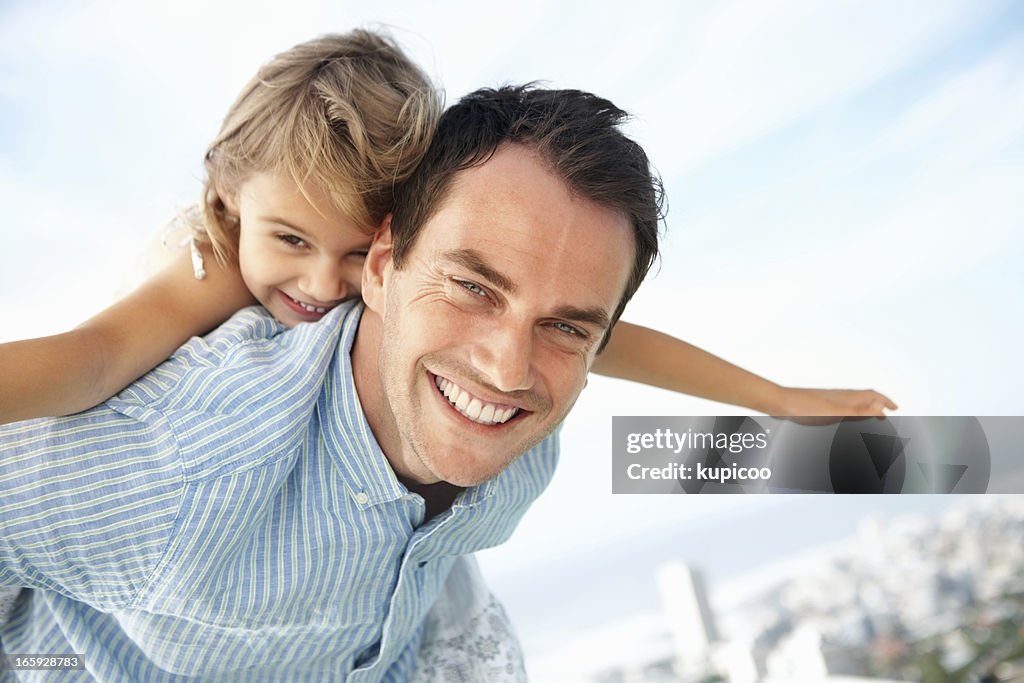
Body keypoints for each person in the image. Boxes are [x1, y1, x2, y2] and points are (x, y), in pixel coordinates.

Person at [0, 83, 660, 681]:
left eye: (567, 328)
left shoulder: (532, 428)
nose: (507, 368)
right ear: (379, 267)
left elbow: (655, 451)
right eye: (472, 287)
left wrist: (769, 414)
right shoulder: (188, 460)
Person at [0, 31, 893, 428]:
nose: (319, 284)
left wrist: (776, 398)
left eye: (358, 253)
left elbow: (601, 338)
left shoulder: (389, 275)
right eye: (292, 241)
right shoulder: (216, 264)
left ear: (395, 241)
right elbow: (95, 357)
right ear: (230, 199)